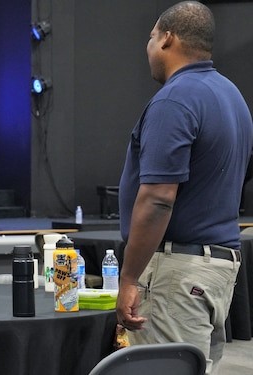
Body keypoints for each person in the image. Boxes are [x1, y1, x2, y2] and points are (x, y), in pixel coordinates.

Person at [116, 2, 253, 374]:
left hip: (178, 272)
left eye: (150, 37)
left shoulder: (175, 100)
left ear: (167, 38)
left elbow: (159, 198)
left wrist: (129, 278)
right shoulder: (231, 96)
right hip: (217, 269)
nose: (147, 48)